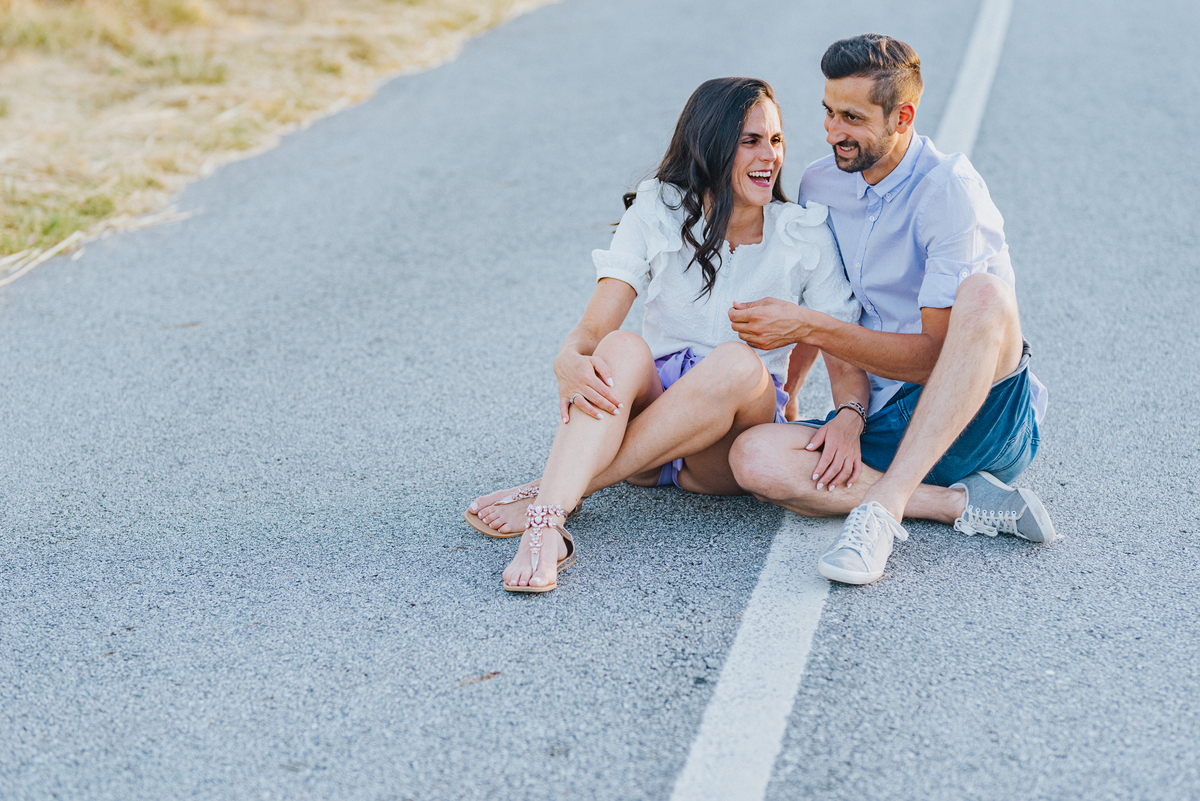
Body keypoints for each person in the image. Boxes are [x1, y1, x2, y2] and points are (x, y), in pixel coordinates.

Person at [465, 77, 865, 593]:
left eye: (777, 140)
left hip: (724, 443)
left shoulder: (803, 232)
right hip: (654, 412)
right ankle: (552, 529)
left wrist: (844, 415)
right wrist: (568, 356)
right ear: (710, 145)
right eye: (750, 141)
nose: (770, 156)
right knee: (621, 347)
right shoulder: (656, 211)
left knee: (736, 361)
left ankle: (553, 499)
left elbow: (836, 341)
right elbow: (594, 329)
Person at [728, 34, 1056, 586]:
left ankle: (880, 513)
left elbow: (933, 358)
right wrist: (832, 411)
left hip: (978, 415)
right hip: (886, 419)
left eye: (852, 118)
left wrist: (810, 325)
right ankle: (953, 502)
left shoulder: (949, 189)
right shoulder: (820, 183)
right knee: (754, 457)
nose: (833, 131)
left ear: (902, 116)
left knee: (985, 295)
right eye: (829, 112)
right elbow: (831, 300)